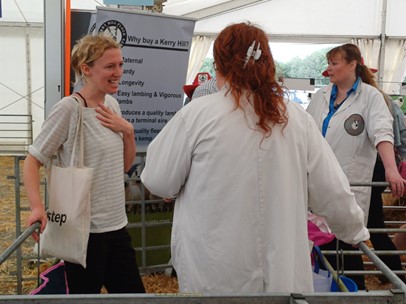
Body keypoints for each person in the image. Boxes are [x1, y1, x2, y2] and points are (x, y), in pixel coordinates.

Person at [141, 22, 369, 293]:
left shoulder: (196, 116)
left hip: (215, 269)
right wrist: (354, 231)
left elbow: (158, 179)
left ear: (219, 65)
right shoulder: (295, 118)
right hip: (280, 273)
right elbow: (331, 189)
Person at [23, 34, 145, 294]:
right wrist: (37, 207)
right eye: (110, 66)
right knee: (86, 298)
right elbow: (32, 160)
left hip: (117, 225)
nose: (118, 73)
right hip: (83, 232)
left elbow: (122, 167)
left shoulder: (111, 104)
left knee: (134, 297)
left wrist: (129, 132)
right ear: (86, 69)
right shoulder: (69, 108)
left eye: (121, 65)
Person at [307, 43, 406, 289]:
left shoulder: (371, 97)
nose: (329, 69)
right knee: (322, 245)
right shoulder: (320, 96)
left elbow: (383, 134)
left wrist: (392, 169)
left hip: (350, 181)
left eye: (335, 63)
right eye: (328, 63)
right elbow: (304, 131)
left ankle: (357, 292)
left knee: (348, 244)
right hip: (316, 180)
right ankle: (333, 291)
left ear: (353, 64)